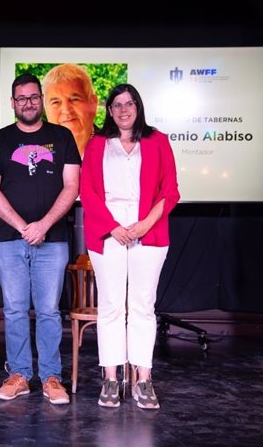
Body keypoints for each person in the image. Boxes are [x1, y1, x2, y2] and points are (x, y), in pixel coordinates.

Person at [0, 73, 80, 405]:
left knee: (50, 311)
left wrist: (44, 225)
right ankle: (20, 375)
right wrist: (25, 227)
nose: (28, 103)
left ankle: (51, 377)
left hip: (54, 240)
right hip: (10, 239)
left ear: (41, 98)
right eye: (21, 98)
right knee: (15, 309)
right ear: (12, 103)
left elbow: (71, 187)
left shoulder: (62, 136)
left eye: (34, 97)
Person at [79, 83, 180, 410]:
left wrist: (145, 224)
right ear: (109, 110)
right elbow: (88, 191)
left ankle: (143, 379)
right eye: (117, 105)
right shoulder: (96, 144)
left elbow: (170, 191)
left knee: (141, 306)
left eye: (130, 104)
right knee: (110, 306)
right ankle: (111, 378)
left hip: (147, 230)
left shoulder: (158, 141)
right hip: (107, 231)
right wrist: (113, 227)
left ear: (139, 107)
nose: (123, 110)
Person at [42, 63, 98, 158]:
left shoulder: (115, 151)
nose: (66, 110)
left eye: (75, 99)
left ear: (93, 103)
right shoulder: (36, 157)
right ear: (45, 109)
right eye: (56, 102)